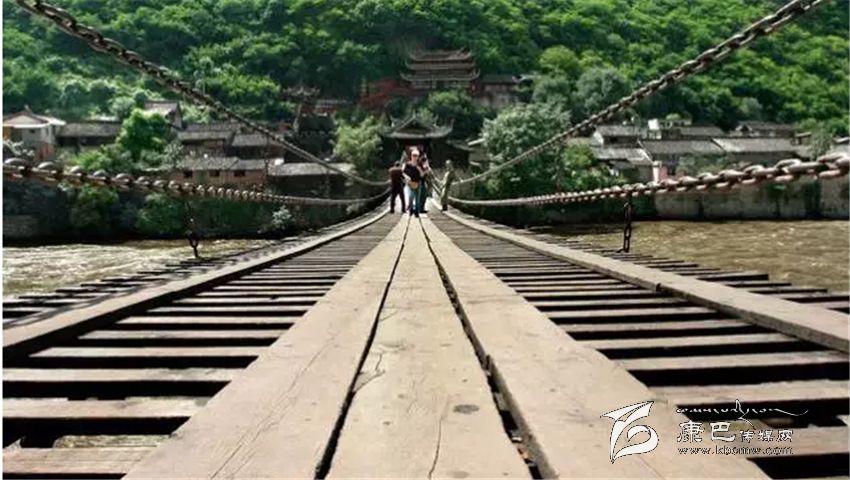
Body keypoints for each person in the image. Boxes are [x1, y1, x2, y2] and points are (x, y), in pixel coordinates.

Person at [403, 148, 424, 218]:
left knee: (417, 198)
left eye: (416, 155)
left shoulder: (420, 164)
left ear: (418, 157)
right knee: (411, 196)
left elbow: (422, 175)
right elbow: (403, 173)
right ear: (411, 156)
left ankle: (416, 212)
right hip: (410, 183)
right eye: (413, 155)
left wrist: (419, 169)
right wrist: (407, 177)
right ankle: (411, 210)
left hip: (418, 182)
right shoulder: (408, 164)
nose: (414, 157)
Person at [417, 148, 432, 213]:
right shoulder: (418, 164)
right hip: (419, 182)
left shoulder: (420, 164)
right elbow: (421, 175)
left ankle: (421, 208)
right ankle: (420, 209)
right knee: (422, 195)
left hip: (422, 182)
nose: (424, 160)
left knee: (423, 195)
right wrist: (426, 171)